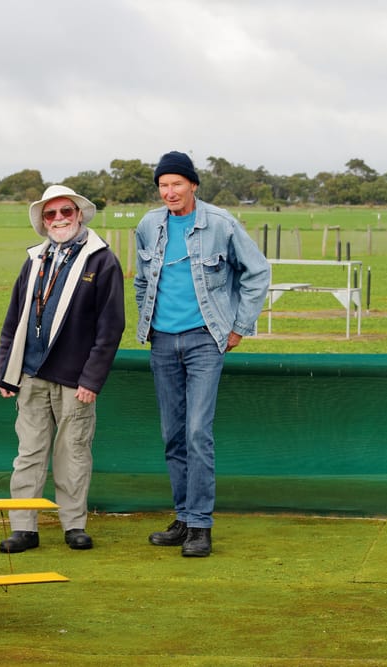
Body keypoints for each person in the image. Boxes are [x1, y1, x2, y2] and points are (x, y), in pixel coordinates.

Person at [135, 152, 270, 557]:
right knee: (172, 434)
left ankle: (200, 526)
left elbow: (258, 272)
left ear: (193, 185)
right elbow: (142, 281)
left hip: (205, 340)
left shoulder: (221, 223)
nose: (170, 192)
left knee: (197, 432)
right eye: (163, 185)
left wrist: (238, 328)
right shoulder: (148, 225)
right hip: (162, 341)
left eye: (177, 183)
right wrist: (147, 320)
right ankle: (182, 516)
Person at [0, 185, 125, 553]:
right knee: (29, 453)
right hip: (32, 373)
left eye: (65, 212)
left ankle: (74, 525)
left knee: (73, 451)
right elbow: (13, 320)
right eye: (50, 215)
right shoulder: (34, 260)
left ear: (79, 214)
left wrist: (92, 378)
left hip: (76, 379)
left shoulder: (102, 260)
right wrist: (7, 370)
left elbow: (110, 327)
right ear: (43, 221)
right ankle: (24, 527)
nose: (59, 220)